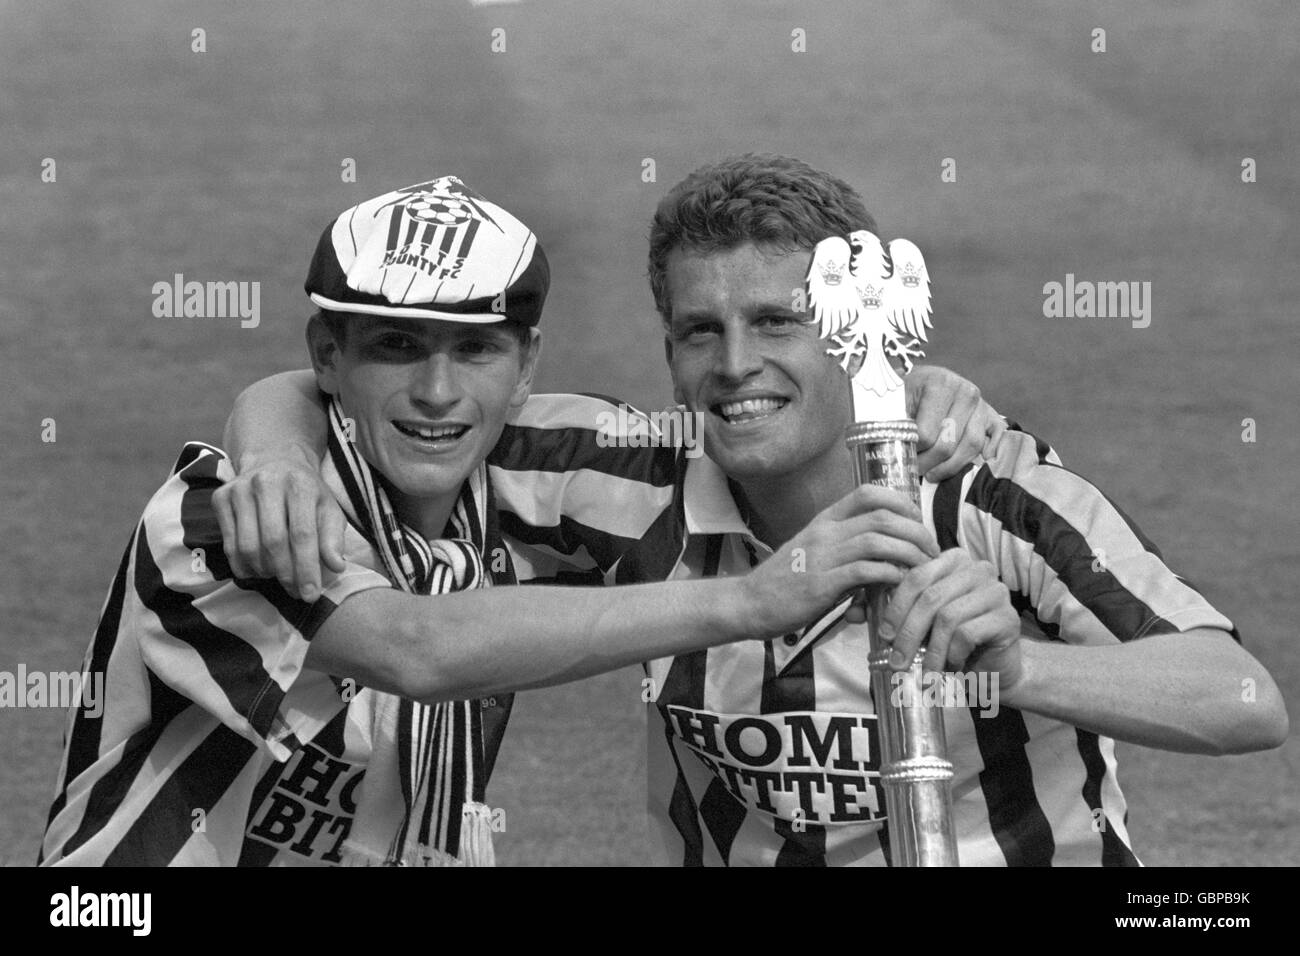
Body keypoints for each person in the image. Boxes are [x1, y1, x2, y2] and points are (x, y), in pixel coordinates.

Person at [218, 156, 1286, 866]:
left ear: (857, 329)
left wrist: (1018, 673)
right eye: (698, 330)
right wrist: (271, 444)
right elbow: (388, 391)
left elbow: (1240, 698)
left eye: (777, 321)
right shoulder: (620, 474)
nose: (735, 367)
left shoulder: (986, 487)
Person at [39, 175, 984, 868]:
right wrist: (749, 601)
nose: (439, 393)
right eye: (396, 347)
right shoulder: (229, 514)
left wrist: (903, 394)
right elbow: (413, 647)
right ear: (329, 353)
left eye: (475, 350)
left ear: (525, 368)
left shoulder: (534, 475)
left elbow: (765, 433)